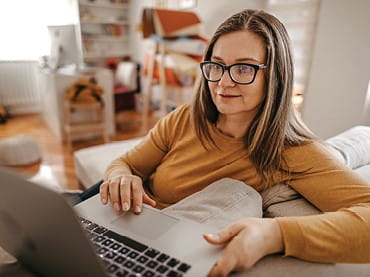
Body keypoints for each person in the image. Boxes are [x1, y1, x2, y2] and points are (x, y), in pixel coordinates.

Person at [97, 9, 370, 277]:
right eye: (216, 65)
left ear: (274, 75)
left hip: (153, 253)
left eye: (243, 68)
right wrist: (121, 176)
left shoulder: (292, 152)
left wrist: (276, 234)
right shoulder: (185, 118)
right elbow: (127, 163)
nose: (222, 83)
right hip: (119, 220)